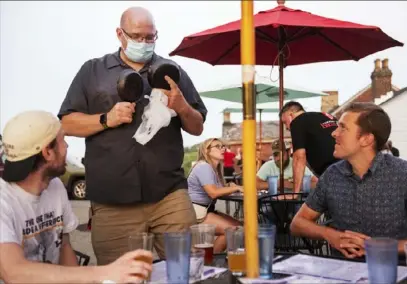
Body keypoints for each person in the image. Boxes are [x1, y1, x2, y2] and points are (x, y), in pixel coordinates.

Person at [58, 7, 207, 264]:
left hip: (169, 196)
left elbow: (198, 126)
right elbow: (67, 123)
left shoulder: (171, 72)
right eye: (137, 36)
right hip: (113, 203)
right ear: (120, 34)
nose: (145, 43)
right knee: (120, 277)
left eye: (151, 37)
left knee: (189, 270)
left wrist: (181, 106)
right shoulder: (92, 71)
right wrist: (106, 119)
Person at [0, 111, 152, 283]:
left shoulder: (55, 186)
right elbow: (13, 273)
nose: (66, 146)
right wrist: (104, 273)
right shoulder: (3, 200)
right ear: (47, 152)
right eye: (62, 140)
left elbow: (63, 246)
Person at [290, 102, 407, 259]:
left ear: (366, 139)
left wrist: (382, 247)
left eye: (343, 128)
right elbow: (297, 224)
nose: (334, 133)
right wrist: (331, 235)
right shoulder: (332, 175)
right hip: (342, 273)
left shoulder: (406, 175)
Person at [187, 138, 242, 253]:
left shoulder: (214, 169)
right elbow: (213, 193)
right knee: (232, 229)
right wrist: (236, 187)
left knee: (239, 226)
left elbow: (217, 189)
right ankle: (211, 261)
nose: (222, 149)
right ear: (206, 151)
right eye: (218, 146)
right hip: (197, 213)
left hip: (205, 210)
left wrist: (228, 186)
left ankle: (211, 257)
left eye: (222, 146)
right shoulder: (203, 167)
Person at [279, 101, 339, 198]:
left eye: (285, 122)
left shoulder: (297, 121)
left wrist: (295, 193)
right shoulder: (326, 116)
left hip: (333, 173)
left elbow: (299, 157)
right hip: (350, 168)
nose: (286, 127)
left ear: (291, 114)